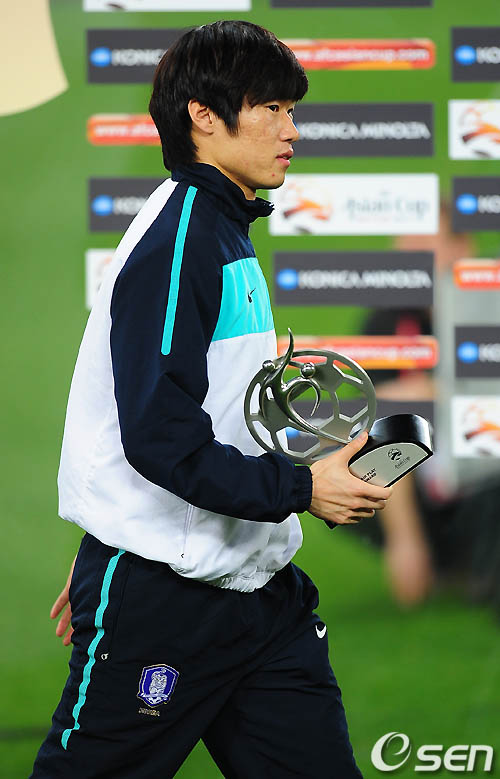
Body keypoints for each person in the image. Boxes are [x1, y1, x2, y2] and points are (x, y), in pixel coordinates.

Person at [31, 21, 392, 778]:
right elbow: (160, 434)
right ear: (203, 115)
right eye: (272, 109)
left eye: (292, 110)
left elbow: (187, 410)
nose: (292, 131)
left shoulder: (224, 225)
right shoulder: (180, 242)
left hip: (259, 597)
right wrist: (302, 489)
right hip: (167, 604)